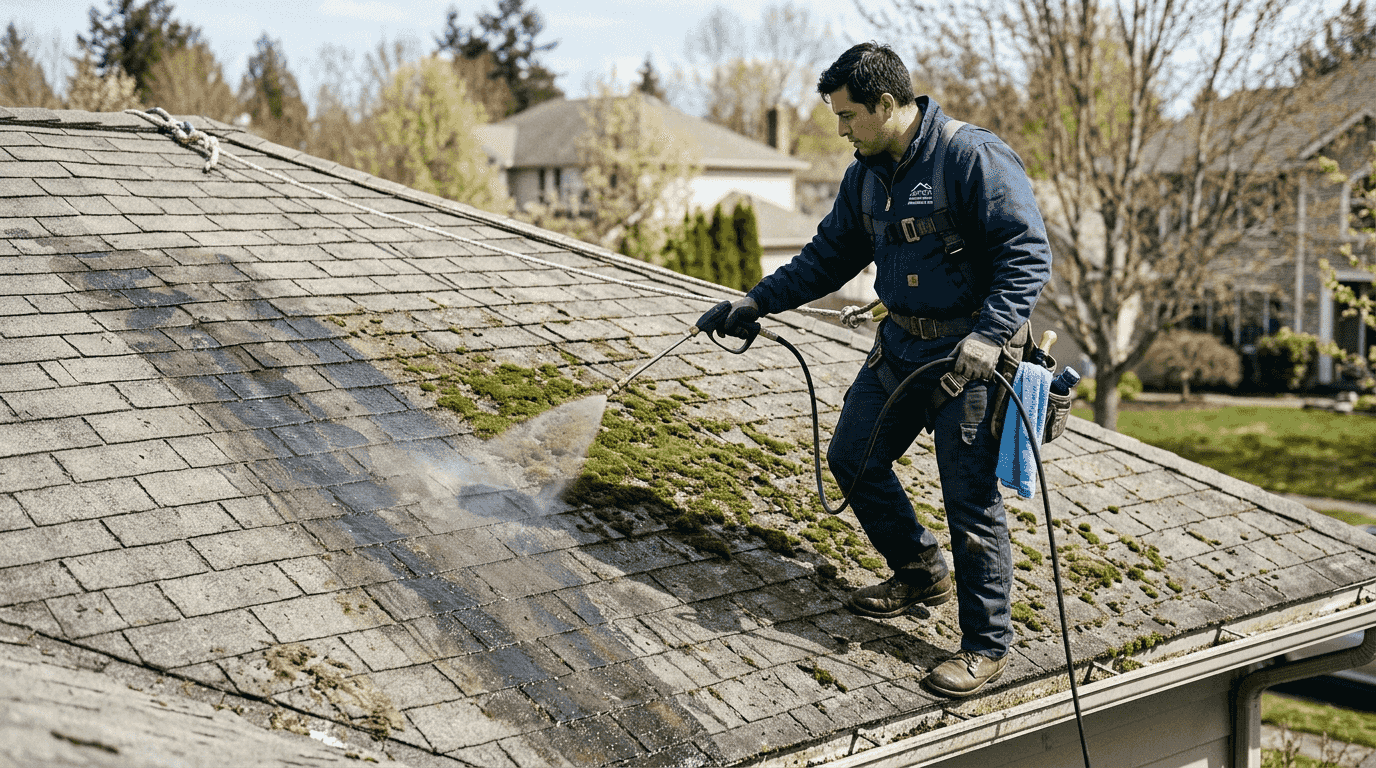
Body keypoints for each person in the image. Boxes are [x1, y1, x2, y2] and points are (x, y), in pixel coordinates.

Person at [699, 42, 1052, 698]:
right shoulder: (866, 174)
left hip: (968, 359)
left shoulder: (970, 156)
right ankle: (919, 570)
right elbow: (826, 257)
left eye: (848, 116)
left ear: (888, 105)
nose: (840, 130)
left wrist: (989, 333)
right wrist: (755, 301)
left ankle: (985, 646)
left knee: (968, 500)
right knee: (852, 457)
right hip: (899, 348)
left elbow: (1027, 254)